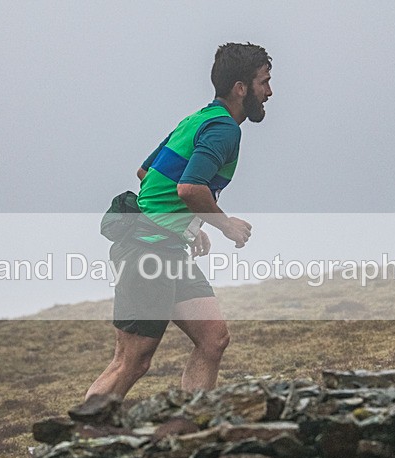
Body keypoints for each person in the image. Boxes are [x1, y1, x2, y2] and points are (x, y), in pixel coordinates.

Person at [86, 42, 272, 400]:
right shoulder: (223, 130)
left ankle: (193, 421)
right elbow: (189, 188)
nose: (269, 91)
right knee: (132, 361)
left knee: (213, 339)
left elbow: (147, 172)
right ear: (240, 88)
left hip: (168, 249)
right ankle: (80, 442)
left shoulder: (196, 120)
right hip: (147, 251)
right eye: (263, 82)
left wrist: (191, 225)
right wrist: (223, 224)